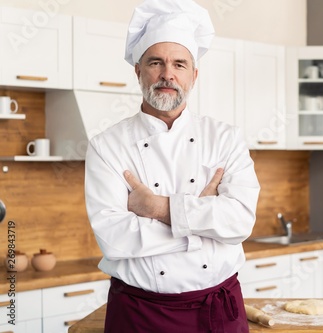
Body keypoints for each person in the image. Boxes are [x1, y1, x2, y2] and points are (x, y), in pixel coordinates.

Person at [84, 0, 260, 332]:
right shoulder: (107, 146)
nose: (168, 74)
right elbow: (115, 239)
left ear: (193, 75)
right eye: (156, 62)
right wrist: (201, 222)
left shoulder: (226, 138)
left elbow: (239, 223)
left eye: (180, 64)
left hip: (218, 309)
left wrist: (159, 207)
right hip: (139, 314)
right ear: (138, 71)